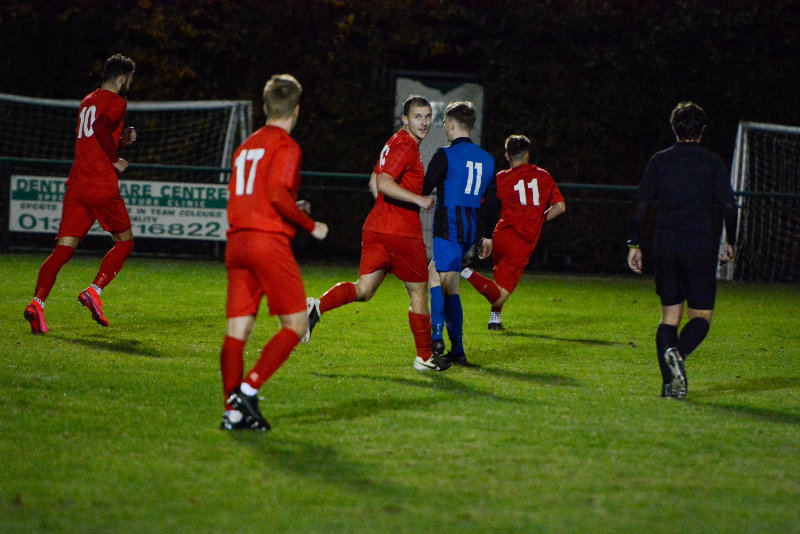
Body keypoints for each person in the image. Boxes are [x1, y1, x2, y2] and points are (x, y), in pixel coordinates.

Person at [304, 95, 450, 372]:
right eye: (417, 117)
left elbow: (373, 180)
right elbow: (383, 183)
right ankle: (424, 356)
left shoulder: (393, 142)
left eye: (427, 116)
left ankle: (316, 307)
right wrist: (419, 200)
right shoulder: (406, 145)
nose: (424, 122)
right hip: (402, 232)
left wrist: (386, 210)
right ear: (405, 119)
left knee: (364, 289)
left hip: (377, 227)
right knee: (419, 292)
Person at [219, 74, 328, 431]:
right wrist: (311, 224)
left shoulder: (245, 146)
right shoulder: (286, 145)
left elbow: (256, 194)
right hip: (267, 242)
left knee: (237, 332)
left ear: (265, 107)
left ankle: (232, 413)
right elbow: (277, 193)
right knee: (296, 325)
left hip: (237, 242)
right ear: (296, 110)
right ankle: (248, 390)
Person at [627, 101, 738, 399]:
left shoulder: (659, 160)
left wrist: (634, 244)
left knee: (669, 318)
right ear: (702, 130)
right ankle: (678, 352)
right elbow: (729, 205)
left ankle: (670, 387)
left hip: (666, 245)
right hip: (699, 245)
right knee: (700, 317)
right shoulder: (712, 161)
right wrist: (731, 241)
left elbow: (641, 205)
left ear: (674, 128)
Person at [24, 54, 138, 334]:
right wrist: (115, 158)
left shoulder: (88, 101)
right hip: (100, 184)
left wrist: (120, 142)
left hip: (77, 184)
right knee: (125, 243)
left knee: (63, 250)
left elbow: (94, 137)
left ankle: (37, 304)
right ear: (122, 78)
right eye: (130, 79)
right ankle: (94, 291)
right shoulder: (117, 101)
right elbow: (100, 128)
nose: (130, 84)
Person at [461, 134, 566, 330]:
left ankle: (495, 319)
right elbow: (560, 207)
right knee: (499, 295)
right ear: (527, 154)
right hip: (521, 241)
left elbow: (483, 204)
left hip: (501, 235)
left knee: (500, 281)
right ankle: (464, 270)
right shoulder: (543, 175)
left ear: (507, 156)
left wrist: (484, 235)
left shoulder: (501, 178)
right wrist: (539, 219)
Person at [422, 101, 496, 366]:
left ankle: (436, 338)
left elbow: (423, 188)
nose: (444, 128)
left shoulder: (445, 155)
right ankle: (459, 351)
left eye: (444, 123)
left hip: (448, 227)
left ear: (452, 124)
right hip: (470, 231)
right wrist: (488, 236)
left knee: (435, 276)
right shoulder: (487, 159)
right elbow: (492, 202)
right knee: (450, 283)